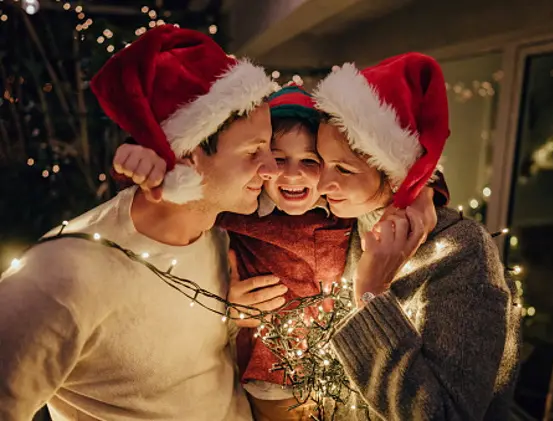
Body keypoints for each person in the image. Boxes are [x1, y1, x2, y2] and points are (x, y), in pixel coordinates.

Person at [111, 84, 451, 421]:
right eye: (278, 158)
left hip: (343, 367)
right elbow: (180, 194)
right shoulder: (243, 209)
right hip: (272, 372)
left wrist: (427, 189)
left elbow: (386, 170)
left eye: (310, 160)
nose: (292, 173)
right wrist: (145, 157)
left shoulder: (340, 206)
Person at [0, 25, 279, 421]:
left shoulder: (221, 238)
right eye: (253, 151)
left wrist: (229, 322)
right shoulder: (63, 273)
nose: (270, 168)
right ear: (187, 156)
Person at [310, 52, 522, 420]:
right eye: (321, 162)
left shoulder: (462, 251)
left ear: (393, 170)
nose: (323, 183)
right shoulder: (341, 220)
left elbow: (443, 415)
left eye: (343, 169)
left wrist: (372, 294)